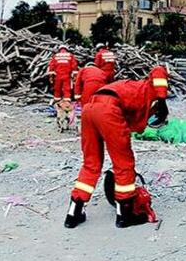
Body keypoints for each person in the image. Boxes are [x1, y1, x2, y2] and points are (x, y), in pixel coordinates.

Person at [65, 66, 170, 229]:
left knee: (91, 163)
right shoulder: (150, 89)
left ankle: (74, 213)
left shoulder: (131, 90)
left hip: (89, 109)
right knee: (124, 164)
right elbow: (159, 70)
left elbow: (129, 122)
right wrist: (162, 100)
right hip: (108, 109)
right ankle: (125, 215)